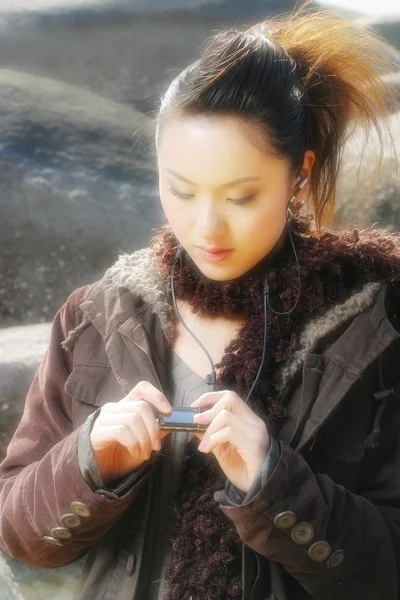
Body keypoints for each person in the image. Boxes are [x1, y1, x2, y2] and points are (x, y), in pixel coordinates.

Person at [1, 5, 400, 600]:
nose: (206, 226)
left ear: (300, 174)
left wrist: (274, 482)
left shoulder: (374, 330)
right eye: (180, 191)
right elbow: (17, 534)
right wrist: (90, 462)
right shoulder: (96, 317)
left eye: (241, 196)